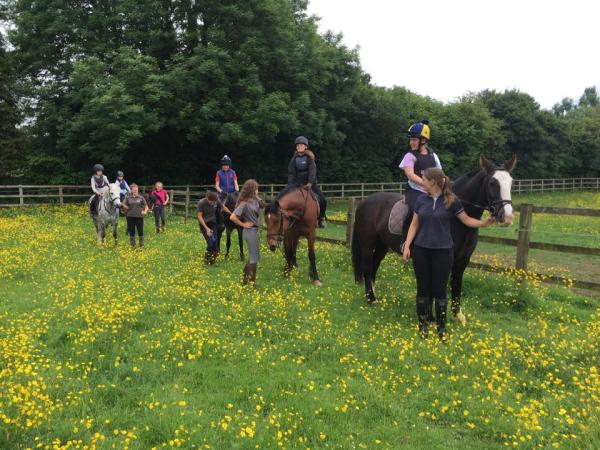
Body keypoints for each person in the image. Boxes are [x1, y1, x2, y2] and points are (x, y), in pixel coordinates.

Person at [402, 168, 493, 340]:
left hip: (443, 252)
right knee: (422, 289)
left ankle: (441, 329)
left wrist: (483, 223)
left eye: (424, 179)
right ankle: (423, 326)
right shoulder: (421, 200)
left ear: (433, 182)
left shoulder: (452, 200)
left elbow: (466, 220)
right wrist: (407, 246)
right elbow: (414, 225)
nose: (422, 181)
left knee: (440, 290)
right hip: (421, 250)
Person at [399, 119, 442, 242]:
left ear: (423, 141)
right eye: (410, 139)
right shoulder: (409, 156)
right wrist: (426, 184)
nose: (411, 142)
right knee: (412, 209)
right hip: (415, 190)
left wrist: (443, 184)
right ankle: (405, 240)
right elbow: (410, 174)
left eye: (414, 139)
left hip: (433, 191)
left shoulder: (433, 156)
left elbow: (440, 173)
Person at [229, 179, 265, 287]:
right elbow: (232, 217)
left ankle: (245, 281)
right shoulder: (244, 204)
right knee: (254, 257)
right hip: (249, 231)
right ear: (251, 190)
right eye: (256, 189)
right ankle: (252, 283)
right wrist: (243, 224)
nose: (257, 191)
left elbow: (263, 205)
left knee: (254, 256)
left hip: (255, 230)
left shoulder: (256, 200)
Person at [286, 136, 327, 228]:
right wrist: (290, 185)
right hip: (297, 184)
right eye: (297, 145)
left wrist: (310, 183)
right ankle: (289, 218)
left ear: (306, 147)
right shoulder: (293, 159)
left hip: (310, 184)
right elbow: (291, 173)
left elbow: (312, 171)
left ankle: (321, 218)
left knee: (323, 199)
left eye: (301, 145)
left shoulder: (310, 158)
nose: (299, 146)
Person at [197, 191, 224, 265]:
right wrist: (207, 229)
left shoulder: (216, 201)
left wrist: (231, 213)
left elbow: (223, 207)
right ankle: (207, 260)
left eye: (214, 202)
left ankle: (212, 261)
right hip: (204, 224)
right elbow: (199, 216)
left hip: (213, 223)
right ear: (207, 198)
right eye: (211, 202)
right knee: (210, 243)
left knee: (215, 242)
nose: (213, 204)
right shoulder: (201, 203)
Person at [122, 183, 149, 248]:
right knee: (132, 231)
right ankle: (133, 246)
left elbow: (146, 206)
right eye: (134, 190)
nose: (135, 191)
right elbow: (123, 204)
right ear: (131, 190)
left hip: (139, 217)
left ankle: (141, 246)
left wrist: (145, 211)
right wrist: (125, 206)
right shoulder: (128, 197)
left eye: (136, 190)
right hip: (130, 217)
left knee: (140, 231)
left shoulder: (141, 197)